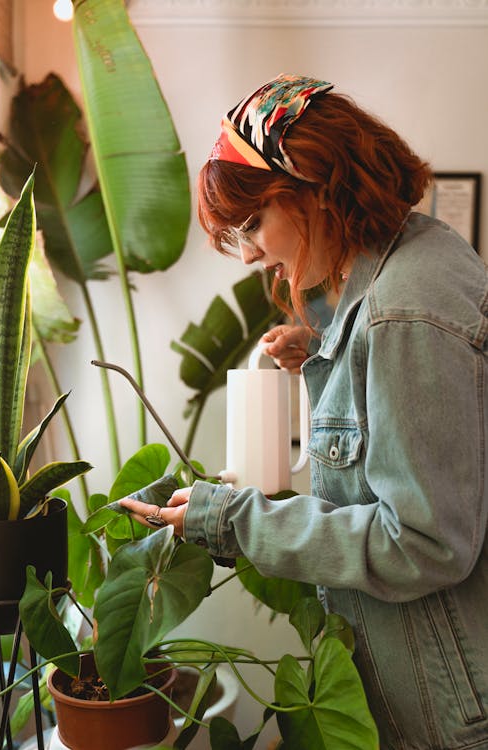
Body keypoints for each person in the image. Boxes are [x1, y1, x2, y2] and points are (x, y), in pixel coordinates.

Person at [120, 74, 488, 750]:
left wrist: (229, 519)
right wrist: (323, 348)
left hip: (439, 711)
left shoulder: (401, 313)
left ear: (316, 186)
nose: (253, 252)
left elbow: (424, 544)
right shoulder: (411, 261)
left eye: (254, 223)